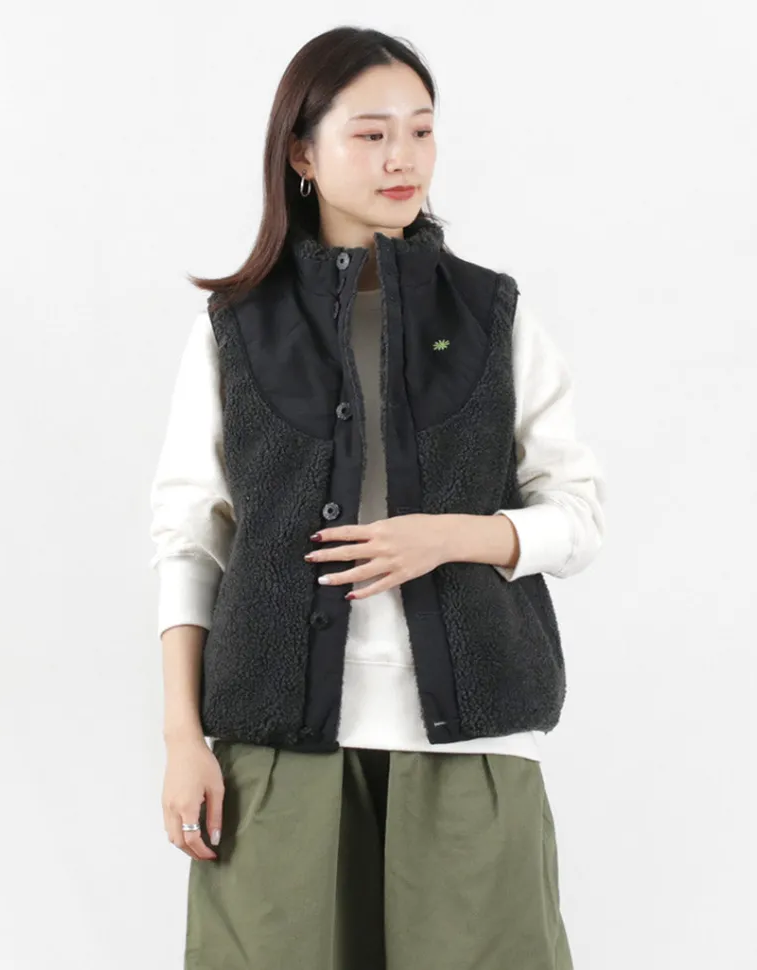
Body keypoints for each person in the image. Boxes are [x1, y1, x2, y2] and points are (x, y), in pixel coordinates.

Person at [149, 24, 606, 970]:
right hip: (276, 749)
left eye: (422, 130)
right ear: (302, 154)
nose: (404, 158)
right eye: (371, 134)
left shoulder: (492, 314)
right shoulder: (237, 329)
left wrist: (453, 536)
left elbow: (579, 517)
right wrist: (183, 740)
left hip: (473, 747)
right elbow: (192, 542)